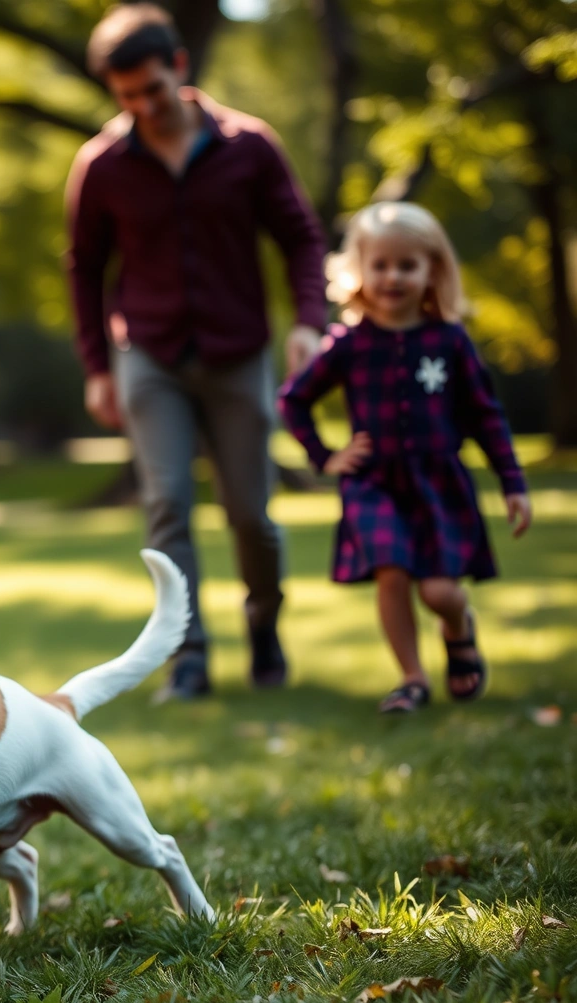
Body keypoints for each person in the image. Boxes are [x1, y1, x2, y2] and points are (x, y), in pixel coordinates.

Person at [65, 3, 328, 701]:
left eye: (151, 89)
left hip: (239, 350)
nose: (142, 107)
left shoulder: (250, 145)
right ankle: (188, 657)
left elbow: (301, 237)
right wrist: (98, 365)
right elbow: (84, 268)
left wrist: (308, 319)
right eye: (126, 97)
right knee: (168, 506)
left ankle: (264, 621)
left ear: (179, 67)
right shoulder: (101, 165)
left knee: (251, 513)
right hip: (149, 356)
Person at [278, 202, 531, 714]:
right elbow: (293, 399)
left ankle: (459, 628)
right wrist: (325, 455)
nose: (392, 277)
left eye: (407, 265)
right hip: (372, 483)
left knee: (439, 591)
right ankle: (411, 678)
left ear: (432, 270)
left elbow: (486, 416)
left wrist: (513, 482)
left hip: (437, 483)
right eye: (380, 265)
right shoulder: (347, 344)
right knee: (390, 570)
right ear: (359, 271)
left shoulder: (451, 341)